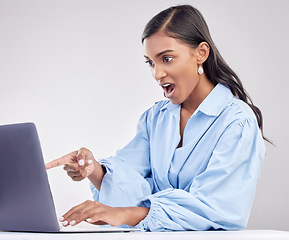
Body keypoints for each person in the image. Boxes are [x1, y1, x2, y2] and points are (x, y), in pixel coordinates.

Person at [46, 5, 267, 231]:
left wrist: (126, 213)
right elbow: (132, 182)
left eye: (167, 59)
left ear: (201, 53)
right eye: (151, 62)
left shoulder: (237, 122)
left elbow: (215, 208)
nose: (157, 74)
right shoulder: (156, 118)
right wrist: (92, 168)